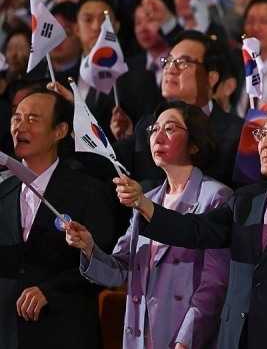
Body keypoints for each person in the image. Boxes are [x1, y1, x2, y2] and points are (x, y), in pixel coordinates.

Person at [112, 103, 267, 349]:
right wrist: (144, 204)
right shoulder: (246, 199)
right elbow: (196, 230)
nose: (264, 143)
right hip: (236, 340)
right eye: (262, 134)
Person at [64, 100, 232, 349]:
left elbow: (214, 285)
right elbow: (121, 269)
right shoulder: (149, 198)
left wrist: (185, 341)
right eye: (154, 129)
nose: (158, 137)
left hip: (182, 337)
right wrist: (90, 249)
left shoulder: (215, 197)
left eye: (170, 129)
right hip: (140, 335)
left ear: (195, 144)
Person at [0, 90, 115, 348]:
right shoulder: (3, 190)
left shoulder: (88, 191)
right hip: (8, 333)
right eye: (17, 118)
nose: (20, 126)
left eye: (33, 119)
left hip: (64, 331)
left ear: (60, 131)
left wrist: (51, 291)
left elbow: (106, 265)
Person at [112, 30, 244, 189]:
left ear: (211, 79)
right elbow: (107, 163)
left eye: (183, 62)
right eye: (168, 61)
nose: (170, 69)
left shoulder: (239, 134)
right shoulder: (146, 125)